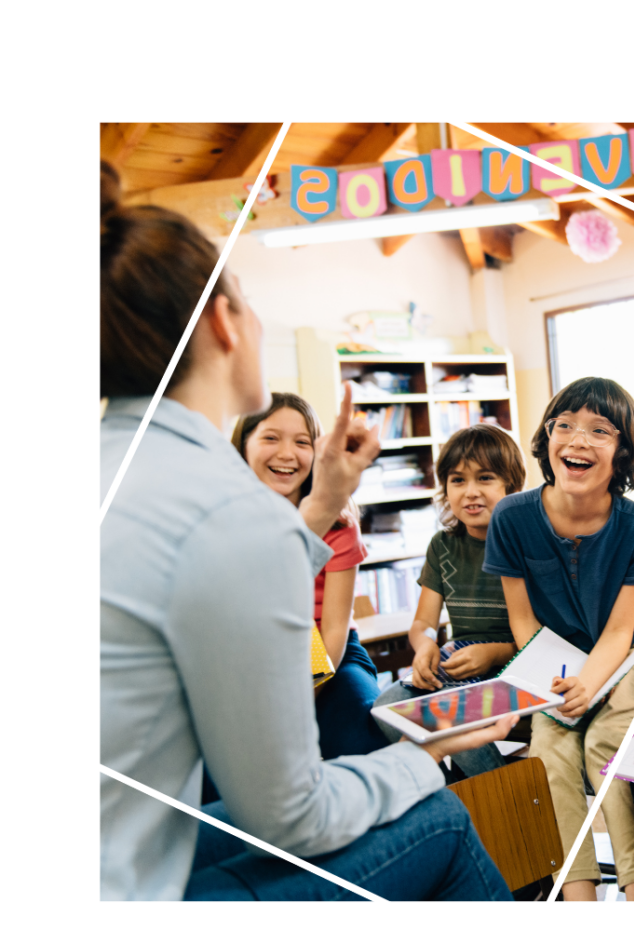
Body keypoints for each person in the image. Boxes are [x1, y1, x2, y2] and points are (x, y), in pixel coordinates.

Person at [98, 159, 518, 904]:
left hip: (136, 836)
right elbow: (291, 813)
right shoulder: (227, 513)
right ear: (227, 322)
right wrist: (433, 756)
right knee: (439, 818)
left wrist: (323, 499)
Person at [484, 377, 634, 903]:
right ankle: (577, 894)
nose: (577, 439)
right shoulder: (512, 517)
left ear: (623, 452)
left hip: (631, 655)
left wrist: (591, 682)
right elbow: (523, 623)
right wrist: (558, 683)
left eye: (598, 430)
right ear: (545, 439)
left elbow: (620, 629)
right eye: (563, 425)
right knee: (550, 753)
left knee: (604, 747)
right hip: (552, 664)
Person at [231, 394, 388, 760]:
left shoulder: (339, 522)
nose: (287, 454)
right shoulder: (225, 517)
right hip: (254, 656)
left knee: (360, 735)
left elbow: (334, 629)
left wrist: (304, 696)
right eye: (271, 438)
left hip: (330, 653)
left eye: (302, 442)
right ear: (243, 446)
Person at [373, 425, 526, 779]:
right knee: (385, 707)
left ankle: (501, 800)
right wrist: (424, 644)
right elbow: (423, 621)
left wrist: (494, 653)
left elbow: (544, 635)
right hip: (458, 665)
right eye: (457, 481)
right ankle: (451, 792)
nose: (470, 493)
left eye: (485, 478)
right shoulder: (442, 546)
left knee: (449, 714)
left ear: (511, 486)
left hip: (514, 667)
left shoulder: (527, 544)